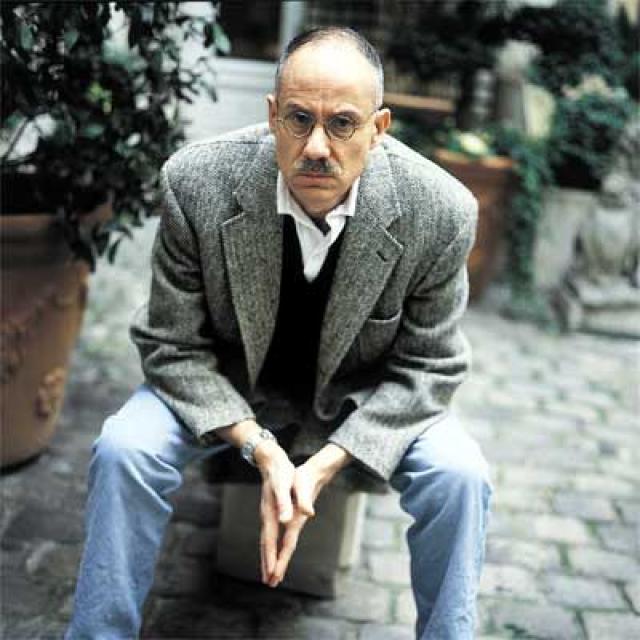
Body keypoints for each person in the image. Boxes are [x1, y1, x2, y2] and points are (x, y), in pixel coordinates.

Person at [66, 26, 493, 640]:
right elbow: (171, 345)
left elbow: (430, 369)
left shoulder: (440, 210)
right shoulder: (196, 182)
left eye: (342, 124)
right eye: (298, 119)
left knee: (461, 477)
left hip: (360, 403)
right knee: (123, 450)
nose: (316, 147)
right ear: (272, 116)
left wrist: (329, 461)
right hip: (228, 388)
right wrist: (260, 448)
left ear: (379, 128)